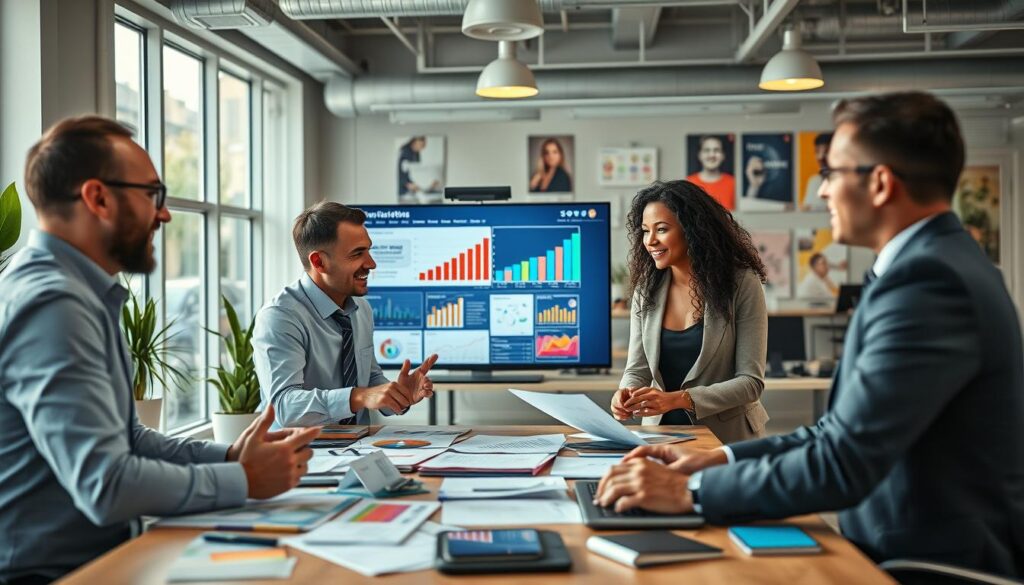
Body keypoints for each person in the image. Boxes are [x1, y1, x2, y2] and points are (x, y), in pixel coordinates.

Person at [595, 92, 1024, 578]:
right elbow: (832, 433)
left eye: (833, 173)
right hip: (902, 548)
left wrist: (688, 493)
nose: (822, 191)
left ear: (880, 183)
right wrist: (714, 460)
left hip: (932, 564)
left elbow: (843, 461)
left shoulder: (929, 282)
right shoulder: (930, 267)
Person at [0, 116, 320, 583]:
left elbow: (131, 440)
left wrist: (233, 457)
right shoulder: (53, 304)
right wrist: (244, 480)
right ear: (98, 197)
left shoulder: (81, 293)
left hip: (107, 560)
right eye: (153, 194)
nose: (164, 213)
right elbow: (105, 484)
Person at [610, 180, 770, 445]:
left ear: (693, 230)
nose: (650, 241)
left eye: (661, 229)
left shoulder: (742, 283)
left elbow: (750, 383)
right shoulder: (646, 290)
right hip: (660, 437)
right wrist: (625, 393)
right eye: (645, 231)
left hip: (728, 439)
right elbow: (637, 370)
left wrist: (678, 399)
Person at [253, 201, 438, 428]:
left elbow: (368, 380)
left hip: (357, 449)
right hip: (299, 455)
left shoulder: (361, 309)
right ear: (319, 261)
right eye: (357, 254)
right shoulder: (280, 317)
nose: (371, 263)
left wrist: (399, 395)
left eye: (369, 250)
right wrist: (358, 397)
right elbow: (284, 407)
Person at [686, 135, 735, 210]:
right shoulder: (688, 183)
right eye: (707, 150)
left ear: (723, 155)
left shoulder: (733, 182)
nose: (712, 155)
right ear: (699, 155)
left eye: (717, 150)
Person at [397, 136, 439, 202]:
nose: (424, 146)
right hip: (404, 190)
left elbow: (418, 170)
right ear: (415, 142)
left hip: (412, 187)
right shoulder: (405, 152)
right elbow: (400, 171)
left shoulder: (416, 153)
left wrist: (429, 182)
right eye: (422, 144)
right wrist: (407, 183)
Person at [801, 132, 832, 211]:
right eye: (817, 152)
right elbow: (806, 209)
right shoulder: (814, 181)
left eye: (826, 152)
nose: (820, 157)